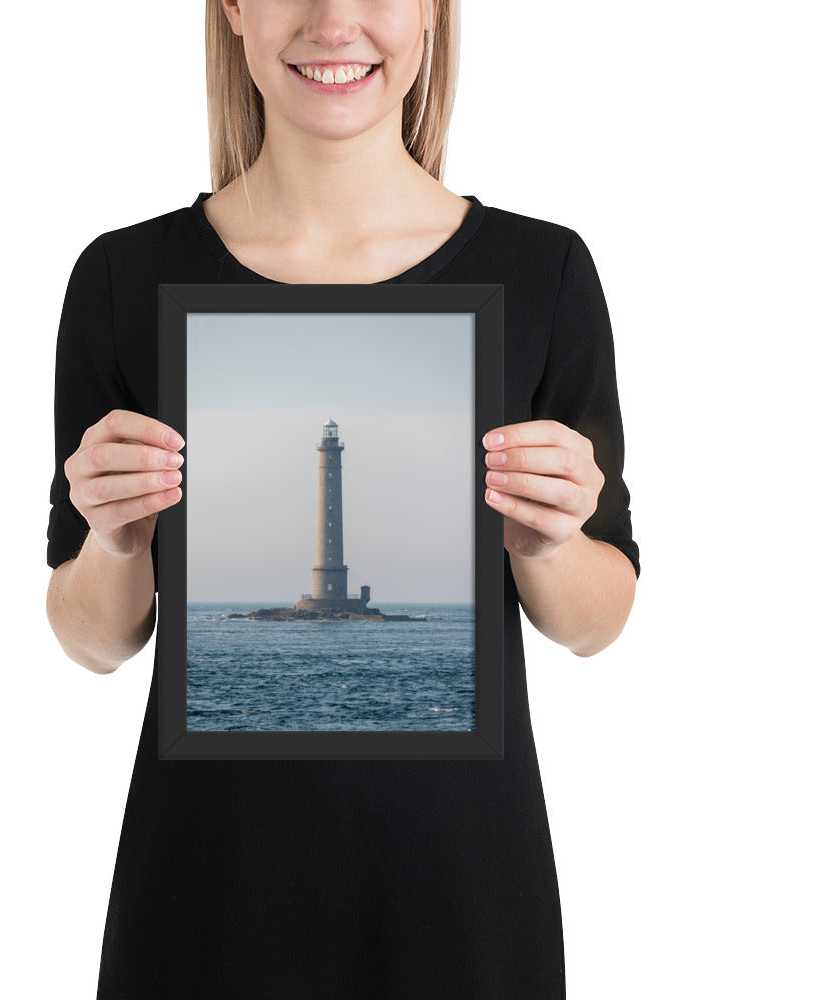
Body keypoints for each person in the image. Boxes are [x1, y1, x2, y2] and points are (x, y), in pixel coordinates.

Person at [46, 1, 640, 996]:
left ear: (432, 14)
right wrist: (115, 541)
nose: (334, 19)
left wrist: (546, 542)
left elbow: (598, 618)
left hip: (464, 909)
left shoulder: (544, 274)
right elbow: (94, 639)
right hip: (204, 908)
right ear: (233, 9)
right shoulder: (123, 278)